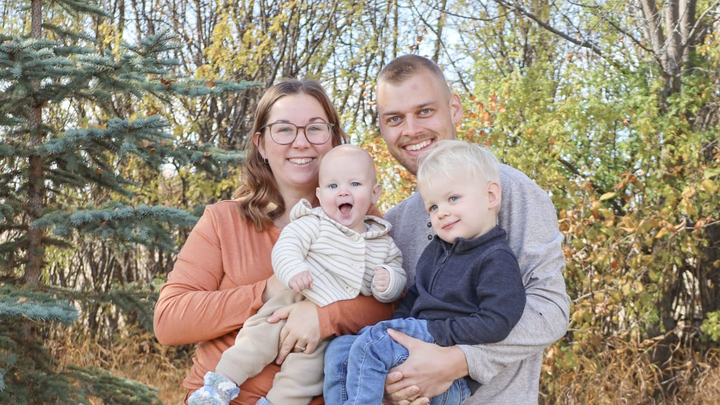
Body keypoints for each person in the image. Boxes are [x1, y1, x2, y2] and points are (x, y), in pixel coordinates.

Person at [324, 55, 570, 405]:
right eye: (395, 118)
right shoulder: (396, 220)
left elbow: (550, 310)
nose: (411, 130)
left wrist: (457, 361)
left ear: (454, 109)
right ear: (382, 127)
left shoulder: (512, 191)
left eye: (424, 111)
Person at [153, 79, 396, 405]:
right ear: (262, 145)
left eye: (315, 128)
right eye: (284, 130)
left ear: (333, 139)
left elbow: (391, 304)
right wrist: (267, 290)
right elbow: (168, 320)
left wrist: (321, 316)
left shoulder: (363, 222)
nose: (301, 142)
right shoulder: (223, 221)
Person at [188, 145, 407, 405]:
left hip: (329, 332)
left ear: (374, 193)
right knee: (256, 341)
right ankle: (217, 387)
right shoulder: (313, 223)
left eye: (355, 184)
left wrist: (388, 283)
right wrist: (294, 270)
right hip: (295, 297)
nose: (343, 192)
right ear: (320, 194)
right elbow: (286, 248)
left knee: (306, 376)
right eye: (333, 186)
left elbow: (397, 279)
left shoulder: (382, 242)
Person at [325, 140, 526, 405]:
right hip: (415, 346)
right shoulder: (437, 251)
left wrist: (433, 330)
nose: (441, 213)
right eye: (433, 207)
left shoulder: (495, 258)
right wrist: (398, 328)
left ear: (490, 196)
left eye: (453, 198)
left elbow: (497, 322)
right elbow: (413, 297)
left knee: (374, 343)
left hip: (449, 374)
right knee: (339, 349)